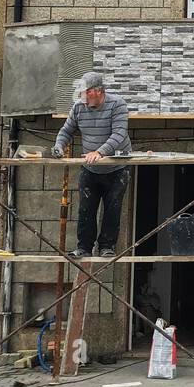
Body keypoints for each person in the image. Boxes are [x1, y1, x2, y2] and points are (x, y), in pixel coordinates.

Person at [52, 71, 132, 257]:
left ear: (99, 91)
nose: (84, 98)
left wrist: (100, 152)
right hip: (90, 168)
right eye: (82, 93)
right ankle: (84, 248)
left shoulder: (117, 104)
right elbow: (67, 130)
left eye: (87, 93)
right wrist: (59, 146)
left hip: (116, 168)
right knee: (86, 208)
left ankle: (106, 247)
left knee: (113, 208)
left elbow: (119, 134)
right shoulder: (79, 107)